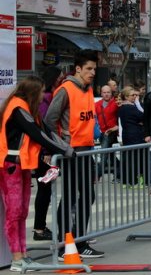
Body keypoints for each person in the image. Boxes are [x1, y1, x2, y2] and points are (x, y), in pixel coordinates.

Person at [0, 75, 75, 271]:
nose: (44, 95)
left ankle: (23, 255)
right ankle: (17, 258)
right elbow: (38, 134)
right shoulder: (18, 108)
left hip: (21, 165)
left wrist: (65, 148)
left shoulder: (25, 109)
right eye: (41, 91)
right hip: (11, 165)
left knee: (22, 212)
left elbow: (45, 131)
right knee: (15, 212)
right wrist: (65, 150)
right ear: (33, 92)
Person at [44, 49, 104, 258]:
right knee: (70, 197)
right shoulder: (65, 90)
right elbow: (49, 121)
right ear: (77, 69)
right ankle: (65, 244)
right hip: (72, 151)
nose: (92, 72)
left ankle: (79, 241)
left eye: (94, 69)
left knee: (88, 195)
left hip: (87, 149)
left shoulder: (87, 89)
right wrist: (62, 146)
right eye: (88, 69)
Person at [33, 66, 64, 242]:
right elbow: (45, 128)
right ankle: (39, 228)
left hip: (46, 151)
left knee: (45, 190)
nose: (61, 79)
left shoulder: (48, 98)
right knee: (44, 190)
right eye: (59, 77)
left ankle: (40, 227)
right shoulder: (45, 100)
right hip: (44, 153)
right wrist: (46, 151)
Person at [117, 86, 145, 186]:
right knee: (134, 158)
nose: (135, 97)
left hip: (127, 135)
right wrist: (137, 105)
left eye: (135, 95)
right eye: (132, 95)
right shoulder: (130, 107)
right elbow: (143, 116)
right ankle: (133, 180)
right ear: (126, 96)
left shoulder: (122, 107)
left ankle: (126, 180)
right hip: (135, 135)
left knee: (128, 158)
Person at [95, 85, 119, 181]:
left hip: (112, 132)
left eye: (108, 92)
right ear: (101, 93)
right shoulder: (96, 104)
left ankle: (97, 175)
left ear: (111, 93)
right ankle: (119, 173)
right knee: (111, 155)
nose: (106, 94)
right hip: (102, 133)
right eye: (104, 92)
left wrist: (116, 128)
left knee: (104, 153)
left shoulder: (116, 103)